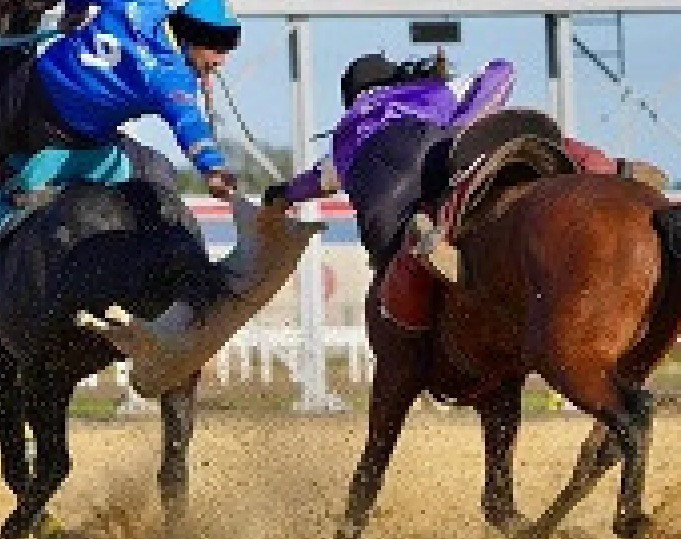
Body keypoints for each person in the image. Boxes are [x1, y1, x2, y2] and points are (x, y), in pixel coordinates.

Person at [0, 0, 241, 298]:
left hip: (28, 100)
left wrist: (73, 15)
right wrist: (212, 168)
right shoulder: (172, 78)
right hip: (79, 136)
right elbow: (190, 125)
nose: (221, 60)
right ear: (193, 37)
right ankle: (192, 269)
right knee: (158, 169)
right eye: (218, 49)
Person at [262, 52, 654, 331]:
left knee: (399, 263)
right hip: (434, 153)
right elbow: (503, 71)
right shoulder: (423, 93)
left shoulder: (344, 137)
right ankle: (608, 169)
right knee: (519, 138)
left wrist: (278, 195)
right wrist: (465, 124)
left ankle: (423, 247)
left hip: (381, 215)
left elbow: (308, 185)